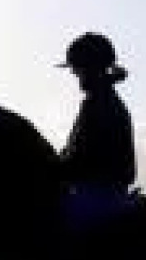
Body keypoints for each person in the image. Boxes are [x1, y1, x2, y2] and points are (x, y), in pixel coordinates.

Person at [56, 32, 140, 231]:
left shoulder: (101, 103)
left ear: (90, 68)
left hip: (97, 195)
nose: (75, 75)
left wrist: (51, 170)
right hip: (101, 192)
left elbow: (82, 157)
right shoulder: (100, 99)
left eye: (77, 69)